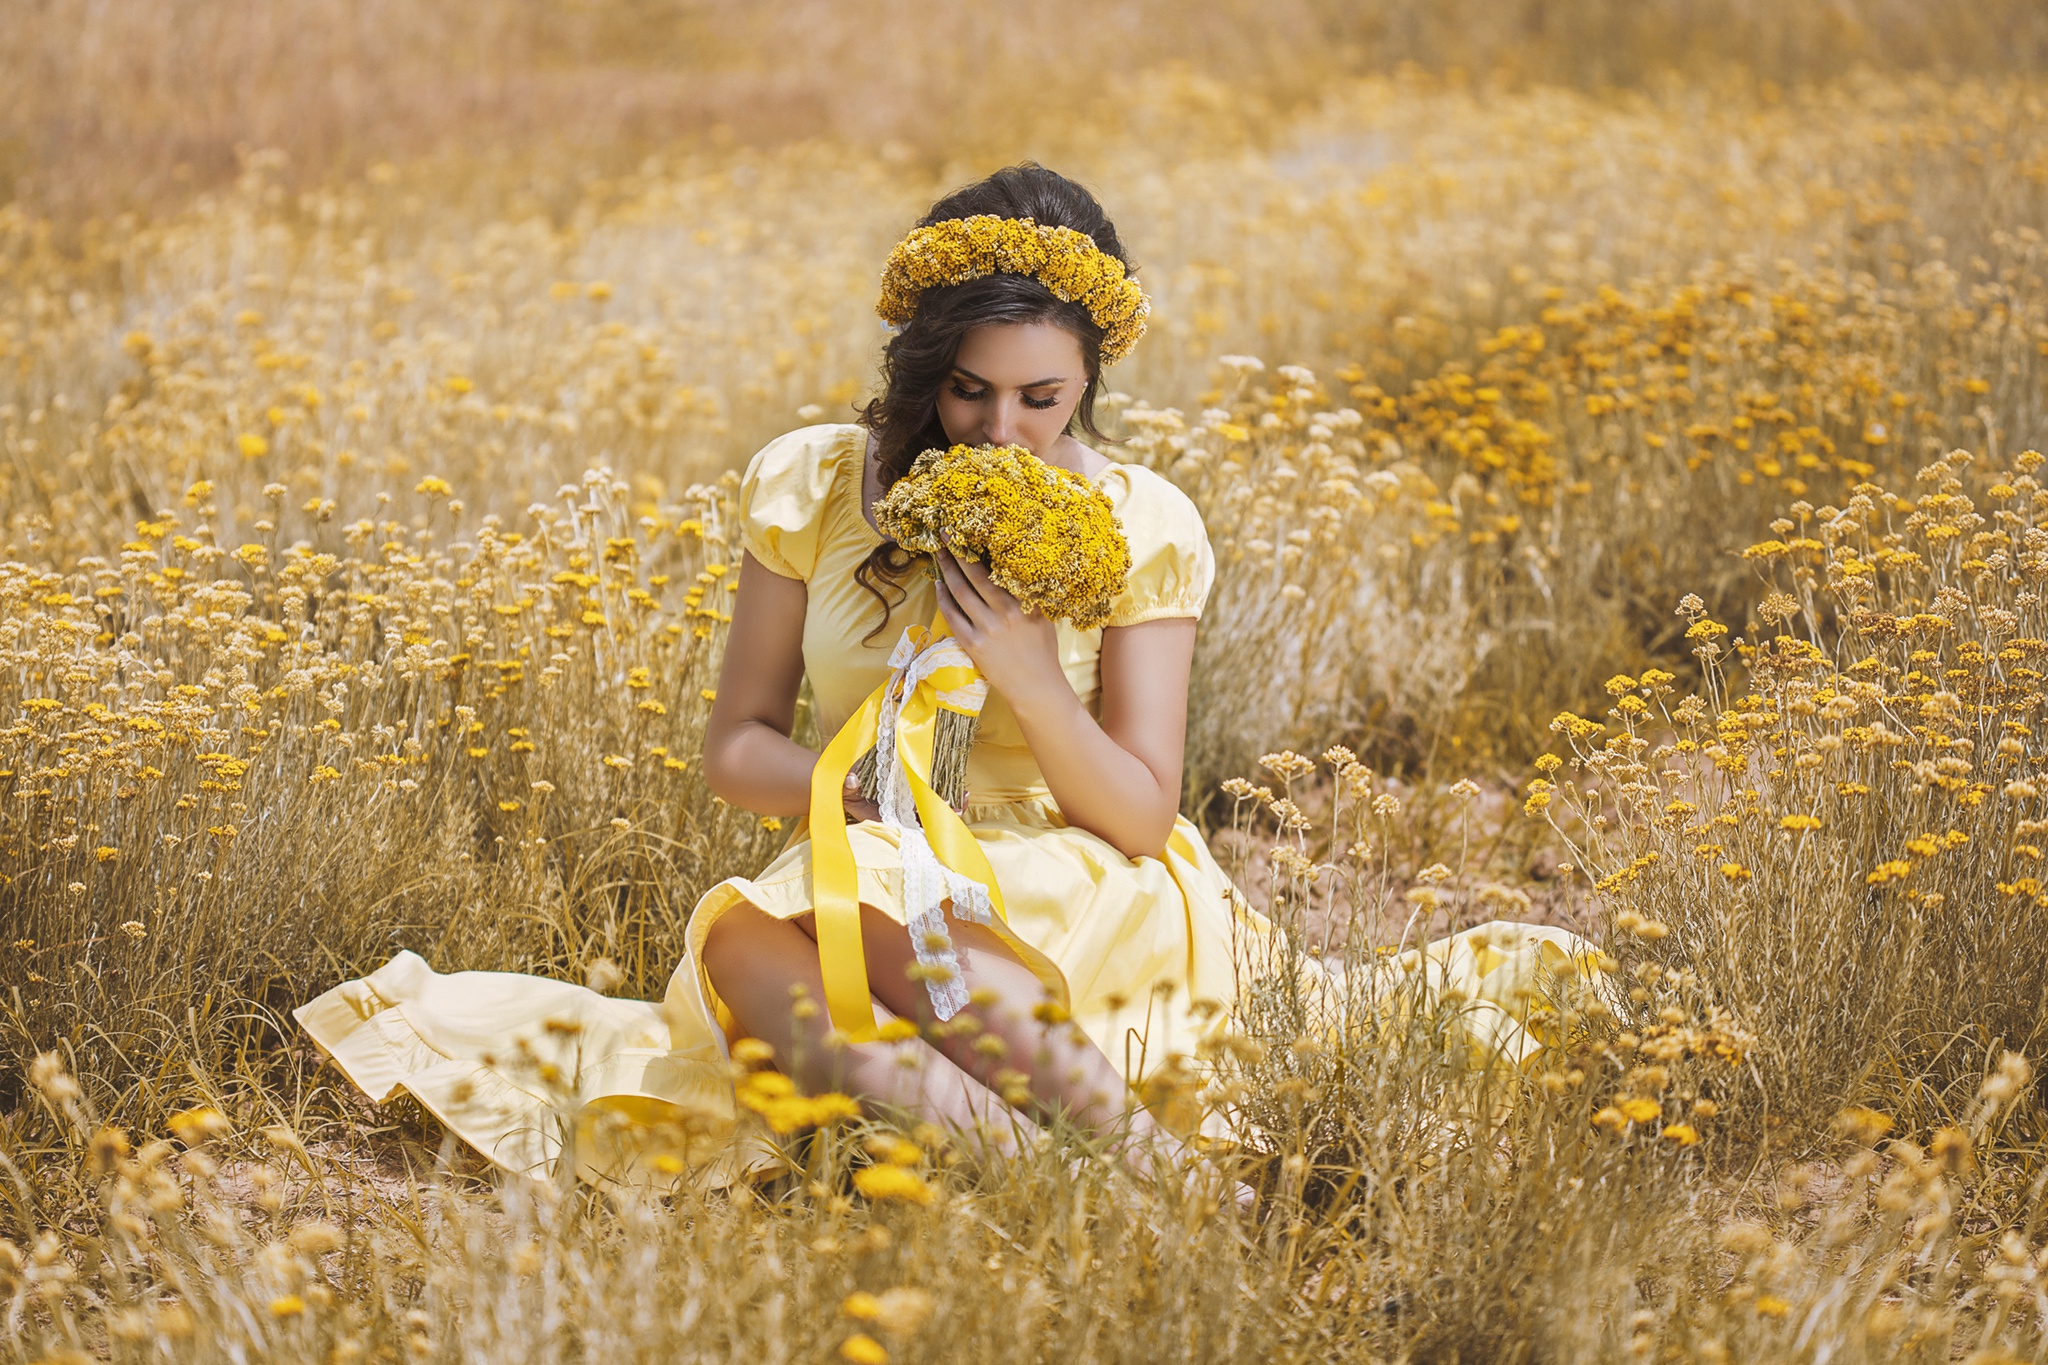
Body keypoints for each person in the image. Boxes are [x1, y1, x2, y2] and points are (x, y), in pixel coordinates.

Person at [296, 163, 1595, 1190]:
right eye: (968, 391)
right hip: (863, 847)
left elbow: (1142, 811)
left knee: (874, 931)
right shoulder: (814, 479)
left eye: (1043, 397)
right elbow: (737, 743)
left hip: (1083, 874)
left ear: (1091, 377)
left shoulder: (1146, 520)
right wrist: (854, 799)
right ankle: (1034, 1157)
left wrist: (1029, 676)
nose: (1002, 430)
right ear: (925, 367)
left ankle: (1139, 1166)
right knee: (745, 948)